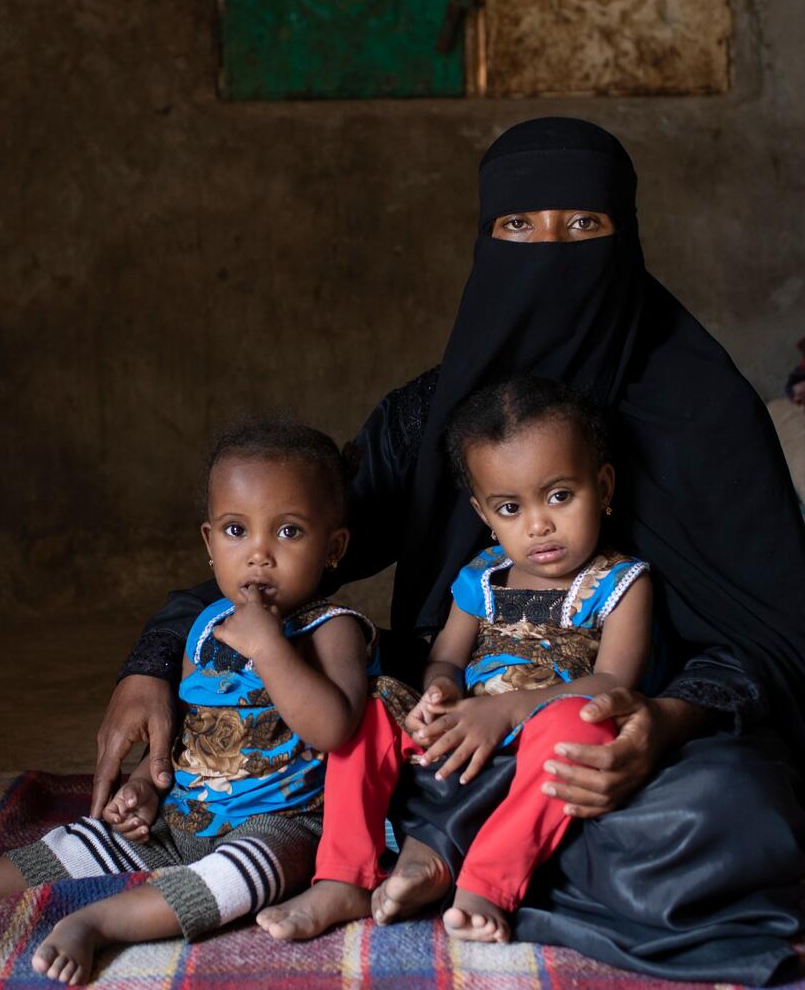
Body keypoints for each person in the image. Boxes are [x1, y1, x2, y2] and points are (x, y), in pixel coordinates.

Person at [95, 117, 805, 982]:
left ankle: (449, 860)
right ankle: (421, 857)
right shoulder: (434, 417)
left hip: (628, 736)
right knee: (345, 742)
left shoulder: (704, 412)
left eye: (584, 227)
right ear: (485, 239)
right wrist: (154, 656)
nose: (551, 249)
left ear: (626, 234)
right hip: (451, 728)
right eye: (519, 227)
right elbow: (296, 549)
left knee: (727, 817)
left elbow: (776, 642)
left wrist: (659, 724)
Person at [0, 419, 396, 985]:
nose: (259, 555)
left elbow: (335, 729)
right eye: (235, 530)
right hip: (185, 817)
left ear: (335, 548)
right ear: (208, 542)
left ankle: (101, 923)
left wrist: (271, 648)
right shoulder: (205, 628)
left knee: (245, 876)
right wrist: (148, 787)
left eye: (289, 532)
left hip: (282, 822)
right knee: (87, 840)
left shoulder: (333, 630)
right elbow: (190, 731)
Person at [259, 374, 660, 945]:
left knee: (588, 725)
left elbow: (614, 681)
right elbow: (444, 658)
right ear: (484, 513)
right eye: (509, 507)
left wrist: (511, 710)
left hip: (540, 728)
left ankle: (491, 879)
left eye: (559, 496)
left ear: (603, 485)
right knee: (369, 712)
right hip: (465, 728)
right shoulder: (481, 577)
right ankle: (344, 874)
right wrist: (439, 694)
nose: (538, 524)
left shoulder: (620, 583)